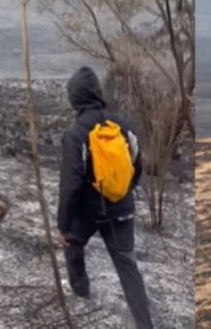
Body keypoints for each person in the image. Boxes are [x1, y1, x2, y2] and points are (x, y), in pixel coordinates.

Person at [56, 66, 154, 329]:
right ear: (98, 92)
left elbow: (70, 184)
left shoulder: (77, 133)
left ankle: (81, 290)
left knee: (72, 245)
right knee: (128, 268)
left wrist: (64, 226)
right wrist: (121, 193)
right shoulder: (124, 125)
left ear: (74, 98)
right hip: (121, 210)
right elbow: (137, 167)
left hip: (88, 213)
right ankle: (145, 325)